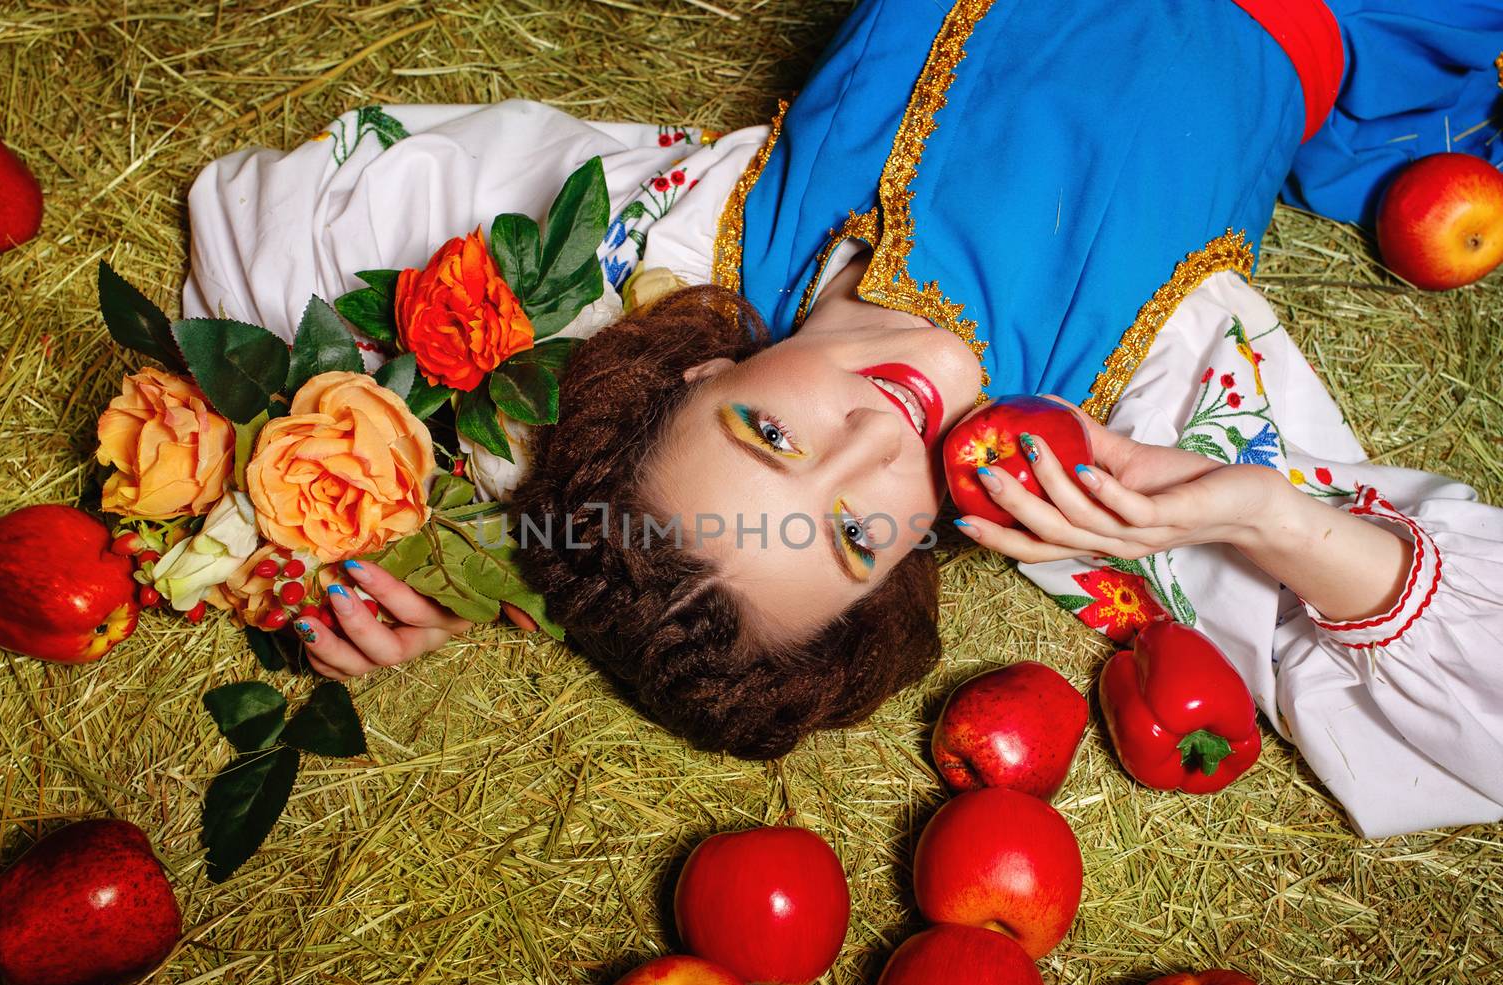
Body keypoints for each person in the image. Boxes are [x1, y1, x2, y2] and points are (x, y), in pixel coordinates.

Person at [183, 0, 1503, 837]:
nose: (880, 439)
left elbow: (295, 215)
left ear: (692, 379)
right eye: (864, 532)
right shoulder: (1135, 419)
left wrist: (367, 520)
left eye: (773, 438)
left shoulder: (678, 233)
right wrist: (1276, 516)